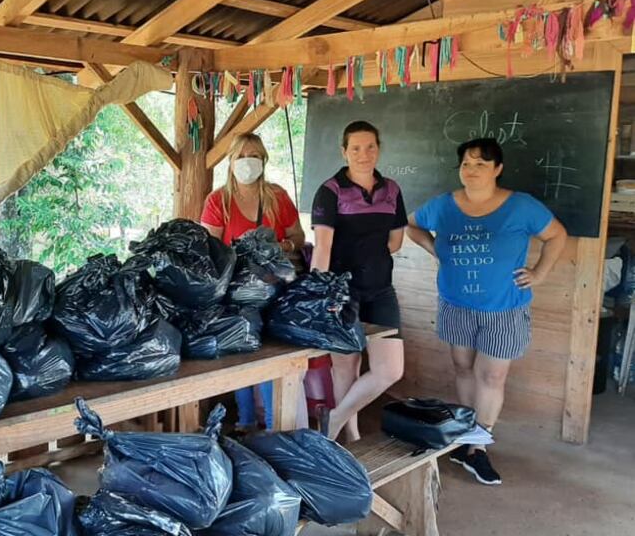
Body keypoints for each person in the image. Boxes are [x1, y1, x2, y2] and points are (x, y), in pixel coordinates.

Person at [407, 137, 566, 485]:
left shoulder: (521, 206)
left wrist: (539, 273)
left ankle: (478, 446)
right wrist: (436, 250)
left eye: (481, 163)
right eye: (466, 163)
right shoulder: (444, 205)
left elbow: (557, 235)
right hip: (455, 303)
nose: (472, 170)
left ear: (497, 169)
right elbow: (412, 224)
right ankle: (465, 439)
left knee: (492, 376)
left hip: (504, 308)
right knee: (463, 368)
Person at [201, 132, 305, 431]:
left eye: (255, 156)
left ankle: (272, 428)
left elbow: (298, 237)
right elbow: (209, 250)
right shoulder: (218, 201)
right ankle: (245, 423)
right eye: (242, 156)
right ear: (231, 161)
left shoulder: (277, 197)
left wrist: (281, 246)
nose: (248, 162)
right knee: (242, 354)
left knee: (272, 358)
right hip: (237, 295)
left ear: (264, 160)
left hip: (275, 290)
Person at [310, 120, 406, 443]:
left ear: (378, 149)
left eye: (370, 147)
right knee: (345, 368)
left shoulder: (392, 190)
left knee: (390, 369)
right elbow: (322, 248)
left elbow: (396, 242)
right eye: (355, 148)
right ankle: (350, 439)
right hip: (341, 292)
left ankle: (334, 418)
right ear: (344, 152)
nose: (363, 154)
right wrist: (319, 296)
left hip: (381, 291)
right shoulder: (330, 191)